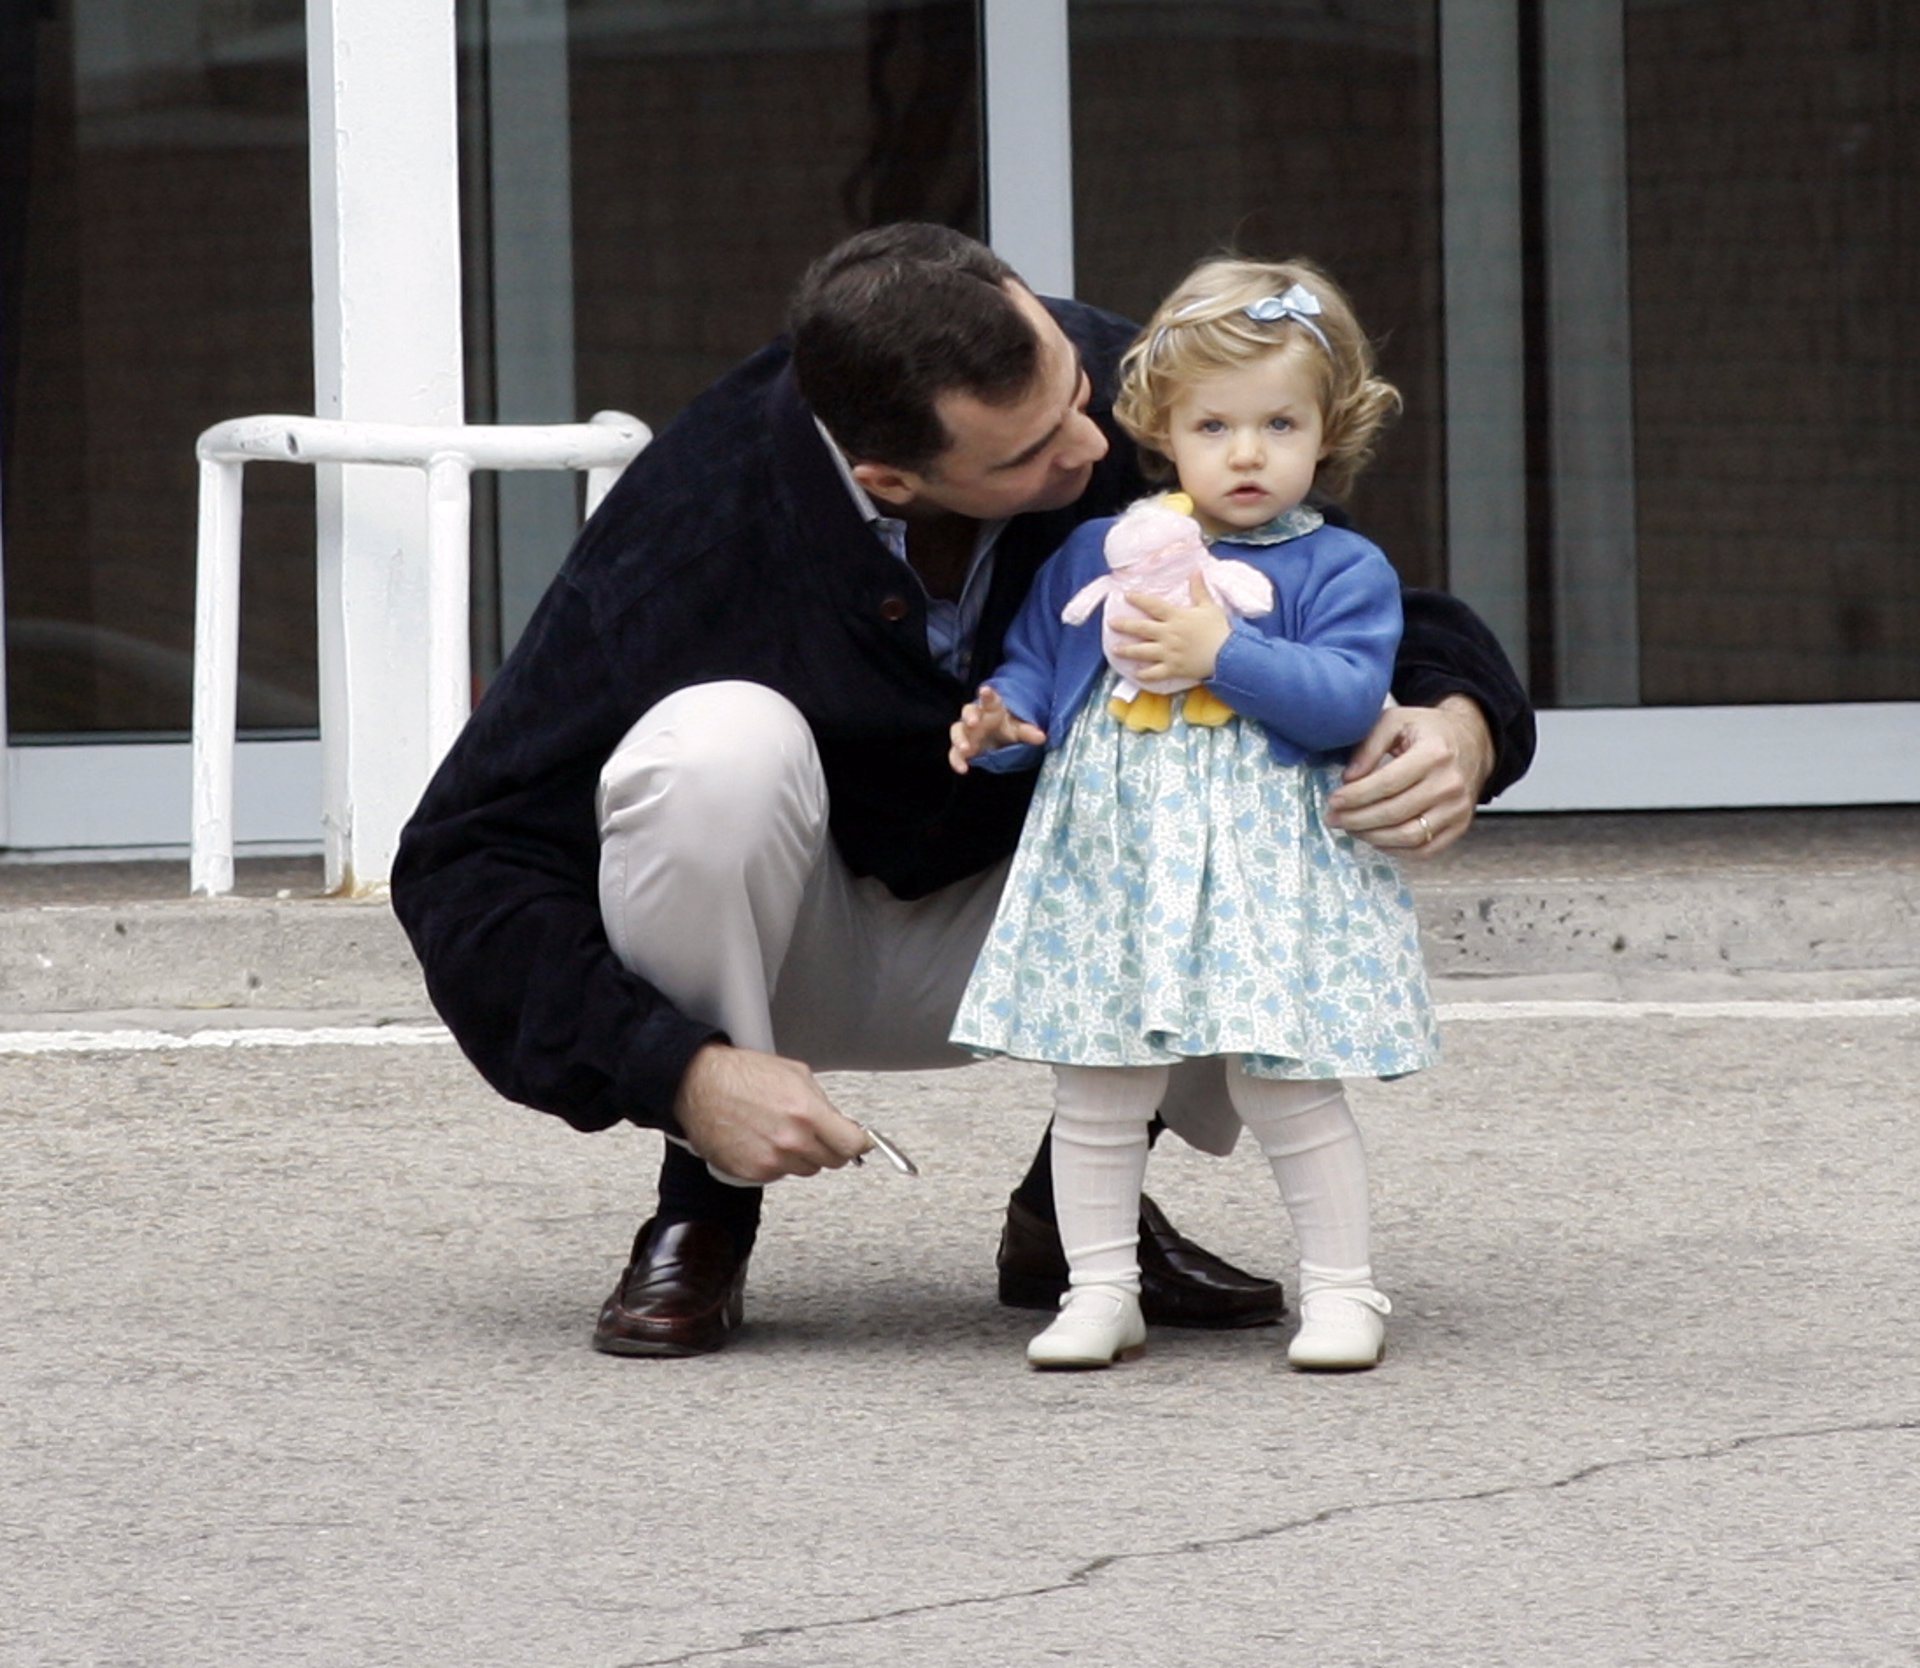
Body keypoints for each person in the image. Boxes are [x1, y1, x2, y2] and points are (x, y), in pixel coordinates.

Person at [390, 224, 1534, 1358]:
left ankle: (1073, 1223)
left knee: (1237, 806)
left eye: (1082, 393)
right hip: (801, 944)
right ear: (891, 477)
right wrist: (673, 1070)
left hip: (1049, 915)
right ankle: (706, 1200)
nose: (1092, 447)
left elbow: (1348, 590)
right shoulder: (698, 518)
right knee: (711, 753)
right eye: (1033, 453)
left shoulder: (1118, 387)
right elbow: (466, 859)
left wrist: (1463, 723)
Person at [950, 255, 1433, 1371]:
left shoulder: (1339, 566)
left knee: (1288, 1083)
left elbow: (1346, 700)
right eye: (1215, 425)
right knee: (1099, 1083)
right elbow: (1039, 665)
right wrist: (1006, 720)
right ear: (1163, 429)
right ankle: (1100, 1287)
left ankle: (1346, 1291)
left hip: (1269, 872)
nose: (1249, 452)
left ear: (1331, 429)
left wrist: (1226, 651)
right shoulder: (1099, 551)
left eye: (1280, 423)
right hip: (1118, 865)